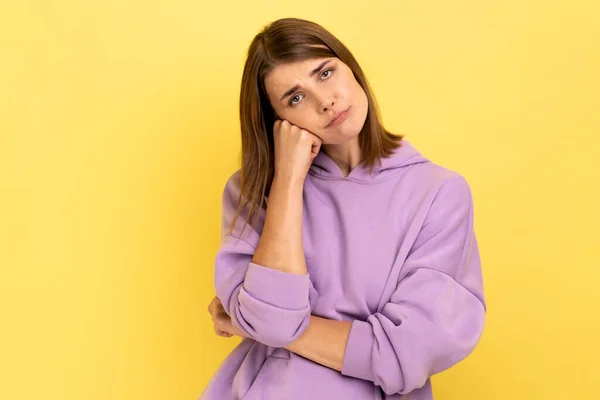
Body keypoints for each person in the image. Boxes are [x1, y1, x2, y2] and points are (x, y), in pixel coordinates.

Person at [201, 17, 486, 400]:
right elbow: (270, 315)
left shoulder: (437, 193)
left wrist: (256, 325)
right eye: (295, 98)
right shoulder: (252, 191)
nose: (326, 101)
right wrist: (287, 179)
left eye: (325, 72)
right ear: (280, 122)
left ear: (350, 67)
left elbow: (407, 352)